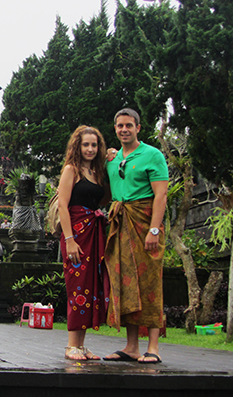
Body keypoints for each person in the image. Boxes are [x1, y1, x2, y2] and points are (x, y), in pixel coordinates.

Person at [103, 108, 168, 364]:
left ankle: (153, 347)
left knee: (150, 282)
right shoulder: (112, 159)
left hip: (145, 222)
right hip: (120, 224)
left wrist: (154, 229)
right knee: (126, 282)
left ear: (138, 128)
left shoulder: (152, 155)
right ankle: (131, 347)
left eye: (129, 125)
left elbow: (161, 195)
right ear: (115, 129)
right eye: (120, 126)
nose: (124, 130)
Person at [57, 126, 111, 361]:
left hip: (94, 232)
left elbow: (105, 198)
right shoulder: (72, 170)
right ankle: (71, 345)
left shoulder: (97, 172)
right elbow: (63, 205)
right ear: (77, 147)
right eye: (86, 144)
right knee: (77, 287)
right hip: (76, 233)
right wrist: (69, 239)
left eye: (94, 145)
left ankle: (81, 344)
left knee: (90, 288)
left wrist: (111, 162)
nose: (90, 149)